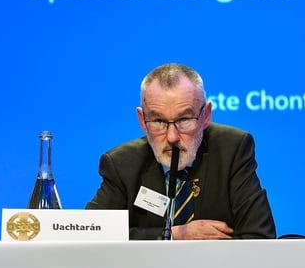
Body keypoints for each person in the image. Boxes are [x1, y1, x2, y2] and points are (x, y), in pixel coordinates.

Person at [86, 62, 277, 240]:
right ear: (143, 120)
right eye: (159, 121)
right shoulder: (121, 164)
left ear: (206, 115)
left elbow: (260, 236)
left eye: (184, 120)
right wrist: (174, 236)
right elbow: (91, 233)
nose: (172, 137)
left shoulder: (232, 149)